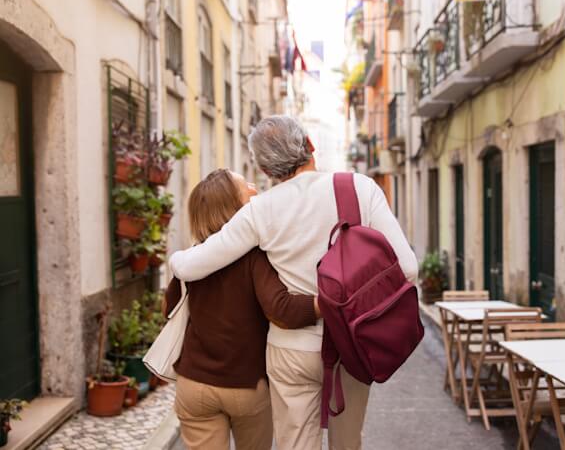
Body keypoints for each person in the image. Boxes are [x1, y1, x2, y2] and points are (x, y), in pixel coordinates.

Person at [170, 115, 418, 450]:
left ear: (266, 170)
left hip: (291, 349)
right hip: (352, 342)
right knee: (348, 444)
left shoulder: (260, 210)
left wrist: (174, 260)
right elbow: (406, 269)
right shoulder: (359, 188)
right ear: (311, 145)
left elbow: (195, 265)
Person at [164, 168, 319, 450]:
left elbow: (169, 310)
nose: (254, 187)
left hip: (194, 383)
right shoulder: (255, 258)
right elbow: (281, 309)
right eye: (244, 185)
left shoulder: (191, 258)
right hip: (247, 385)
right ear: (234, 207)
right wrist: (324, 303)